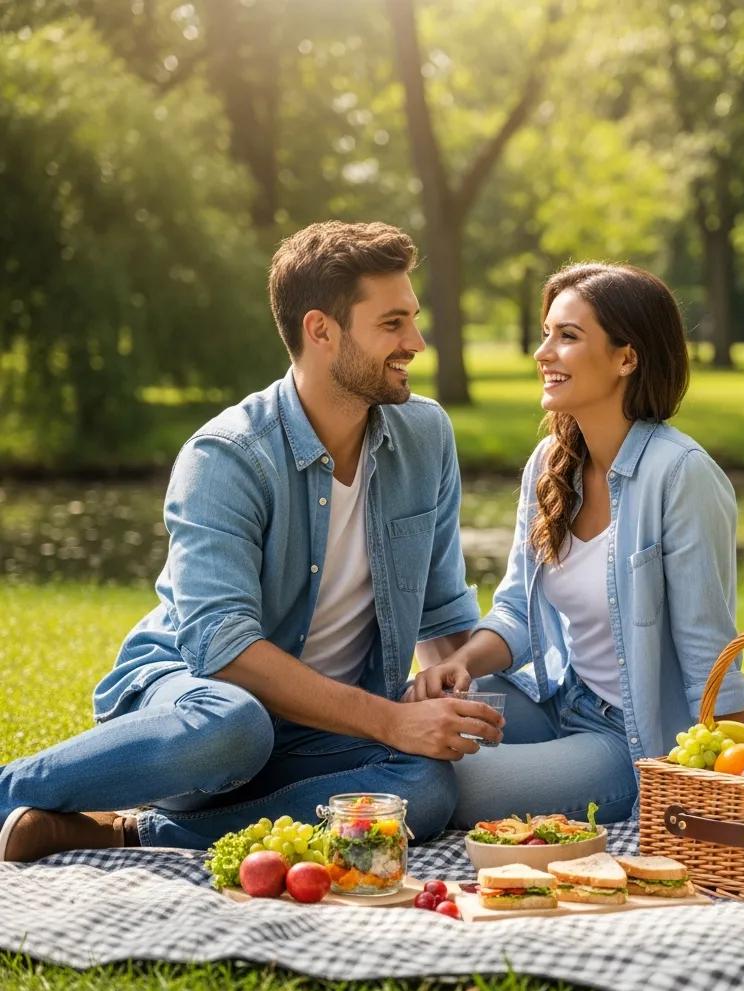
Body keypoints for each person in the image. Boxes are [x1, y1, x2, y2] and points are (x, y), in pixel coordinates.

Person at [0, 221, 503, 862]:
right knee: (237, 727)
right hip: (194, 706)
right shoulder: (228, 456)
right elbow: (221, 648)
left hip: (321, 728)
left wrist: (450, 696)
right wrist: (389, 721)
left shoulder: (424, 436)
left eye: (414, 319)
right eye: (392, 324)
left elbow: (441, 611)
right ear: (321, 330)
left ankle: (129, 832)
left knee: (422, 788)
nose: (416, 342)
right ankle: (7, 793)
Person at [403, 262, 744, 827]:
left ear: (626, 358)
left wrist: (737, 784)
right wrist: (463, 662)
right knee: (407, 726)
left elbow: (708, 655)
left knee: (438, 782)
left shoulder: (680, 474)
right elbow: (517, 611)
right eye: (546, 333)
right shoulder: (551, 465)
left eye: (567, 336)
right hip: (554, 701)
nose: (544, 353)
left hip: (629, 741)